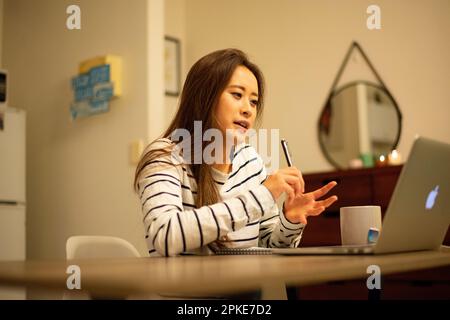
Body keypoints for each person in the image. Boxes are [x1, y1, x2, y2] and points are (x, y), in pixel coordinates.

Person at [133, 48, 338, 259]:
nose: (248, 109)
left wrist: (290, 221)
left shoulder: (251, 162)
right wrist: (263, 196)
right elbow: (165, 236)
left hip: (244, 290)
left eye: (254, 101)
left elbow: (270, 246)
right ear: (205, 97)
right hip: (183, 291)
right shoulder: (165, 156)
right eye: (237, 95)